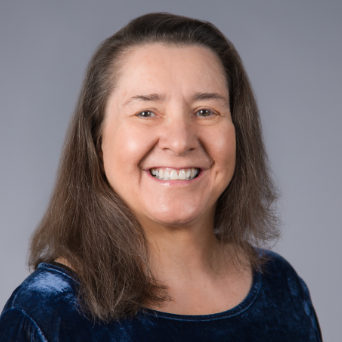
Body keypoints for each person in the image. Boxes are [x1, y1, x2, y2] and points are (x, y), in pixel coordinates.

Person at [0, 12, 322, 341]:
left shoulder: (282, 287)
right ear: (97, 140)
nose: (181, 141)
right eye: (146, 112)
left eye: (205, 111)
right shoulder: (46, 313)